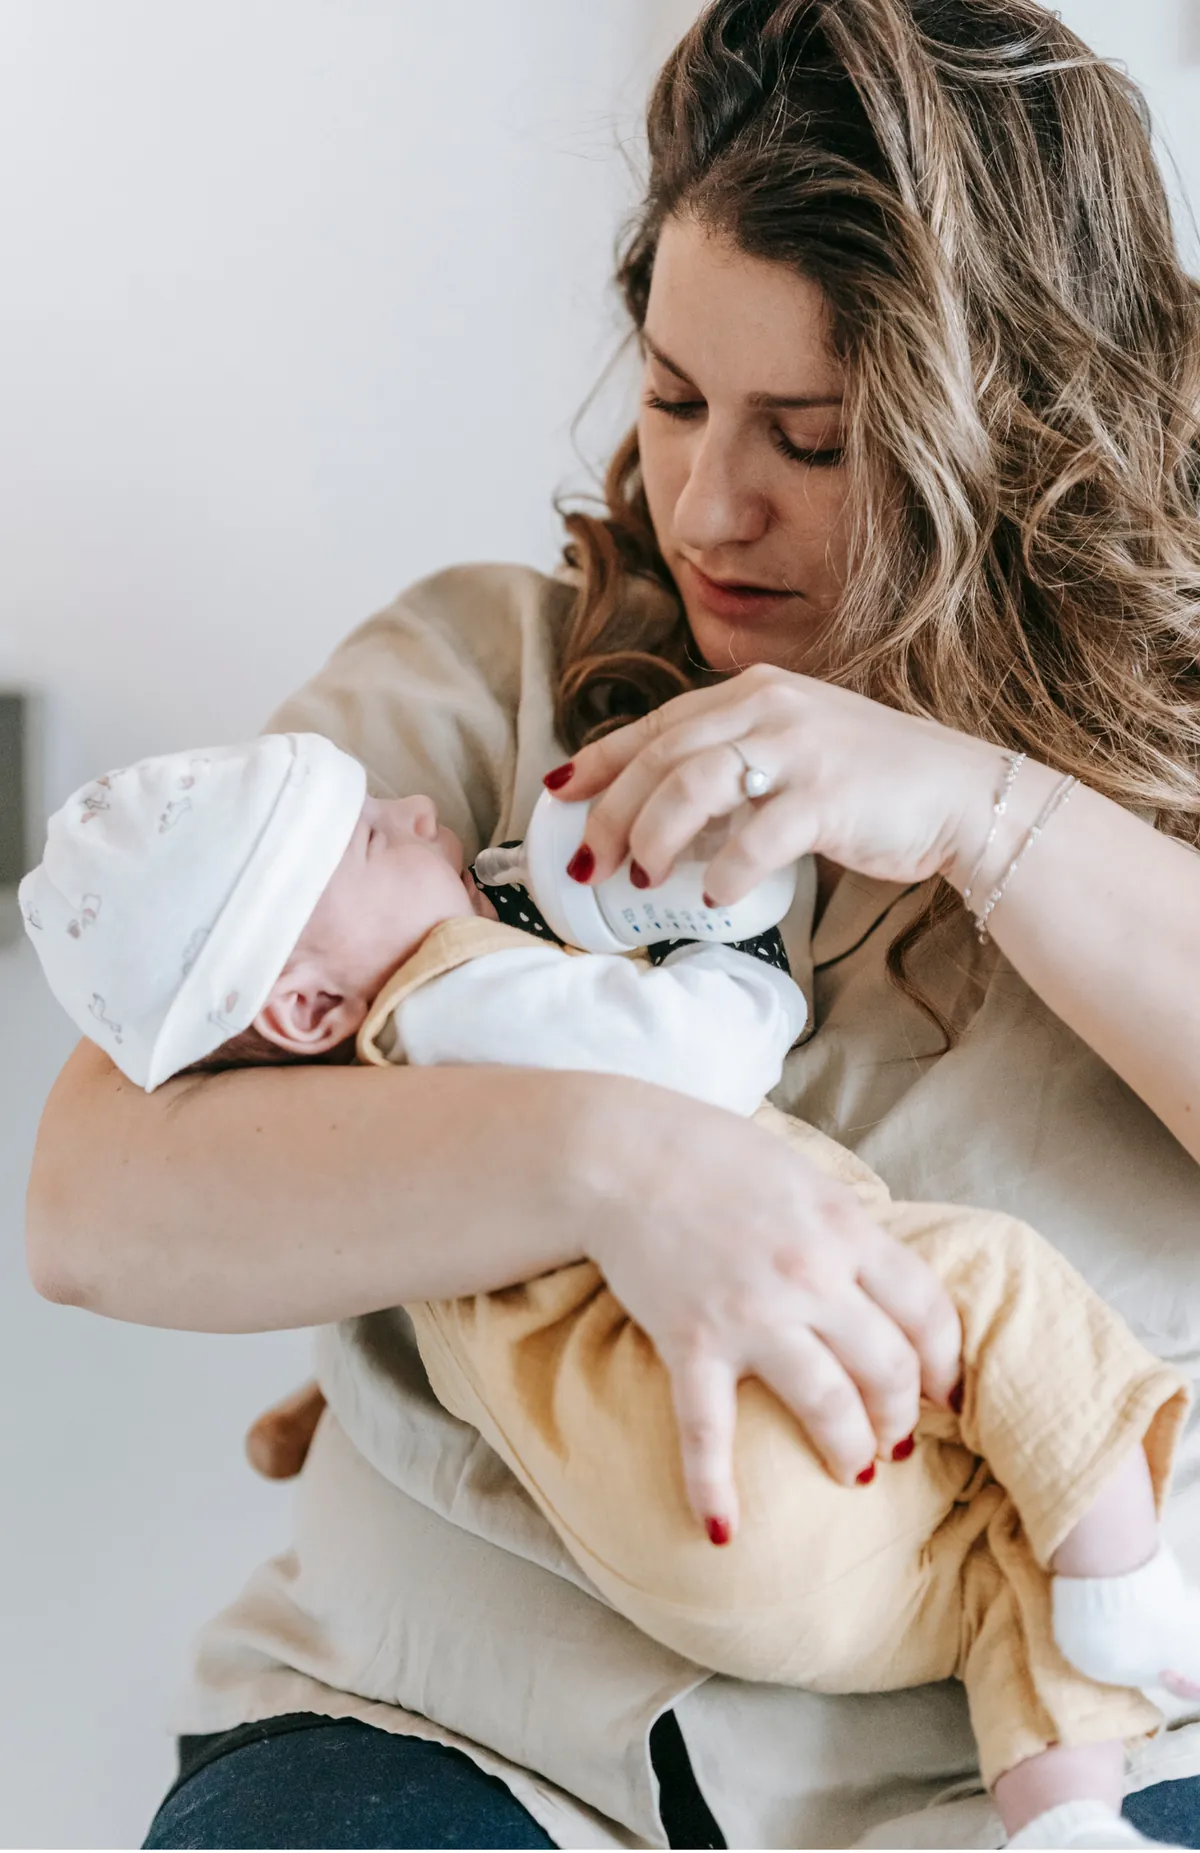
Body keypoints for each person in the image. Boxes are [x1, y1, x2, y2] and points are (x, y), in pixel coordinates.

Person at [23, 0, 1200, 1845]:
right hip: (443, 1729)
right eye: (672, 398)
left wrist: (986, 813)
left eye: (813, 439)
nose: (709, 504)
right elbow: (91, 1205)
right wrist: (617, 1166)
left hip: (1031, 1767)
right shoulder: (484, 682)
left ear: (1019, 433)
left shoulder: (1160, 797)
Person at [20, 732, 1200, 1847]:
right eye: (376, 835)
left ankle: (1065, 1816)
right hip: (755, 1449)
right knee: (1000, 1292)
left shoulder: (381, 1113)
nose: (423, 810)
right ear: (307, 1008)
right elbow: (698, 1057)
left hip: (717, 1555)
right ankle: (1124, 1572)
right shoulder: (449, 987)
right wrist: (742, 936)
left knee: (1007, 1557)